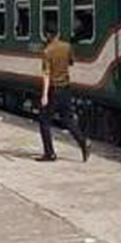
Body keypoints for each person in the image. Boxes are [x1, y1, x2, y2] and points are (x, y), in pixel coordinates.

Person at [37, 22, 89, 162]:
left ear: (48, 35)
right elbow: (71, 62)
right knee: (68, 119)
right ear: (58, 34)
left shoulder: (47, 51)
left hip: (53, 90)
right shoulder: (67, 47)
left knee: (44, 121)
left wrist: (44, 95)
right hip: (66, 88)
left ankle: (50, 153)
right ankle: (83, 142)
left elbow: (46, 74)